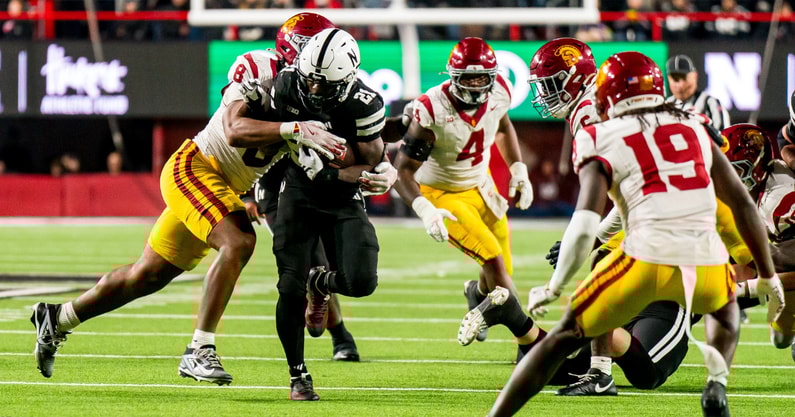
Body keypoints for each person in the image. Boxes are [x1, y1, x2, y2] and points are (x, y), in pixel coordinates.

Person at [29, 12, 346, 385]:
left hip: (224, 187)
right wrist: (292, 128)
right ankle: (200, 349)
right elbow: (233, 130)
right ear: (297, 51)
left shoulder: (316, 94)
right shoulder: (260, 67)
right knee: (240, 241)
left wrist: (374, 169)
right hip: (196, 167)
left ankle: (59, 317)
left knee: (146, 275)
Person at [487, 51, 785, 417]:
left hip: (646, 257)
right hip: (704, 263)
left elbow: (583, 224)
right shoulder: (694, 124)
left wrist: (555, 286)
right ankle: (716, 382)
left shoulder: (601, 133)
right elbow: (741, 203)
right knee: (724, 312)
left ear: (607, 94)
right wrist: (768, 276)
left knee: (567, 336)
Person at [391, 37, 541, 357]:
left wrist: (518, 170)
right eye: (468, 78)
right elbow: (401, 170)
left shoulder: (500, 88)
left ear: (492, 75)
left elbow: (502, 127)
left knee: (500, 271)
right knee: (493, 260)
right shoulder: (432, 107)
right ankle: (529, 344)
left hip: (481, 186)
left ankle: (477, 294)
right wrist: (425, 209)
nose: (475, 86)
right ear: (452, 76)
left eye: (481, 78)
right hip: (443, 194)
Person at [264, 27, 387, 401]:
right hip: (297, 191)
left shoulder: (364, 104)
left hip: (342, 194)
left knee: (362, 282)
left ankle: (322, 283)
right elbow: (258, 133)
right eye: (309, 82)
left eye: (324, 86)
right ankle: (297, 375)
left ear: (346, 81)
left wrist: (362, 172)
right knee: (289, 284)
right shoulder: (283, 86)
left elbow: (369, 160)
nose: (313, 91)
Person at [720, 123, 795, 361]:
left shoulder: (782, 202)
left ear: (756, 166)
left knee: (784, 336)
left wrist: (744, 288)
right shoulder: (754, 193)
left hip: (788, 267)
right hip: (775, 256)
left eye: (736, 170)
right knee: (780, 338)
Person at [665, 54, 730, 132]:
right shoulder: (666, 105)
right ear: (668, 79)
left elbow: (724, 138)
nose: (680, 85)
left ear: (695, 76)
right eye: (675, 79)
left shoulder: (710, 103)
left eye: (684, 78)